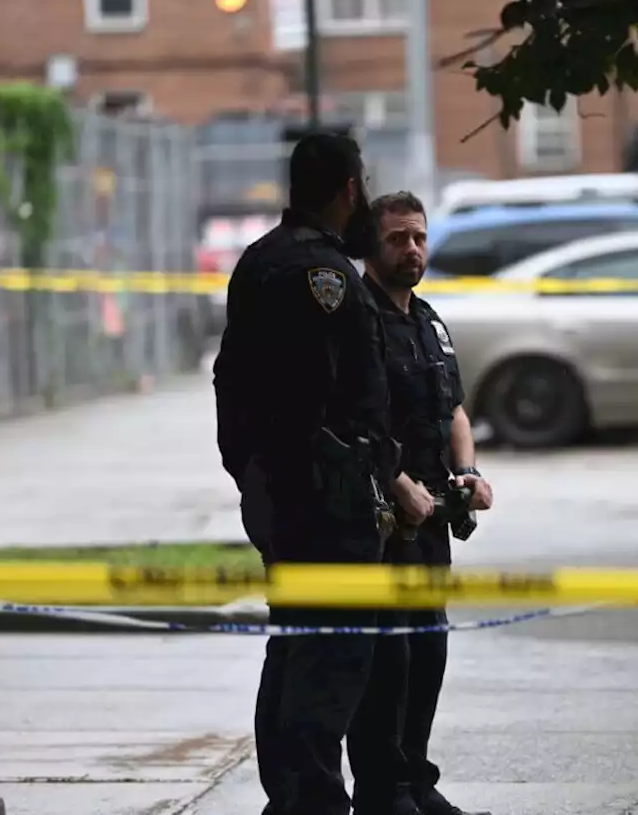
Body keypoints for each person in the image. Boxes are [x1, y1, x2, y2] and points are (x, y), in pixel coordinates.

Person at [212, 132, 397, 815]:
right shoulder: (322, 274)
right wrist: (357, 476)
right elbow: (314, 397)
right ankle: (312, 800)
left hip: (282, 495)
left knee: (293, 647)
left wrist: (248, 472)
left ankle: (291, 797)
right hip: (325, 504)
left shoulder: (259, 260)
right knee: (330, 657)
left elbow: (230, 380)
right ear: (350, 188)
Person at [345, 191, 494, 815]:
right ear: (372, 249)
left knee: (428, 648)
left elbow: (453, 407)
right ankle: (384, 791)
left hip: (434, 515)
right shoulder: (358, 320)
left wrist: (469, 472)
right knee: (389, 656)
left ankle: (417, 781)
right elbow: (351, 417)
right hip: (381, 518)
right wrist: (397, 478)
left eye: (419, 238)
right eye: (398, 240)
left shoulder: (429, 320)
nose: (412, 250)